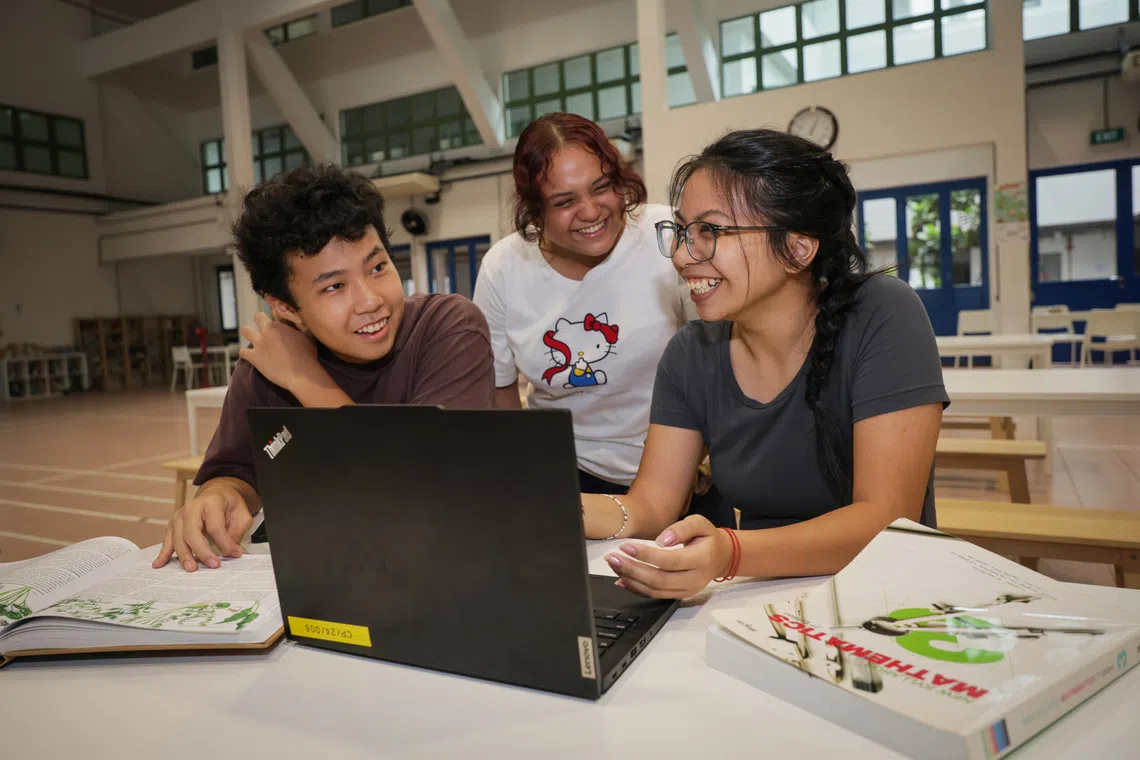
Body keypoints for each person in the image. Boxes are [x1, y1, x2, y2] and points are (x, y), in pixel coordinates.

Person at [581, 128, 948, 599]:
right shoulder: (691, 353)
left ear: (797, 248)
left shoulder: (882, 314)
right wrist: (550, 508)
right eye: (681, 231)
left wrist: (730, 553)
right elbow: (651, 504)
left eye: (709, 232)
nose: (681, 255)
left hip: (883, 600)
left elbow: (885, 518)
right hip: (756, 601)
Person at [154, 164, 495, 572]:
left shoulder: (447, 328)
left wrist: (304, 378)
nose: (370, 300)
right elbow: (237, 471)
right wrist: (221, 494)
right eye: (334, 286)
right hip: (327, 575)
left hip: (440, 567)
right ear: (284, 307)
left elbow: (423, 482)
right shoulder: (268, 360)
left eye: (378, 267)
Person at [473, 113, 728, 524]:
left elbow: (722, 364)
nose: (590, 211)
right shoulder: (504, 268)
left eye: (602, 187)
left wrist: (692, 468)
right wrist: (521, 483)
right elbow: (501, 399)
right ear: (534, 211)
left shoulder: (665, 236)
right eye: (564, 201)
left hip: (684, 471)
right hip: (567, 479)